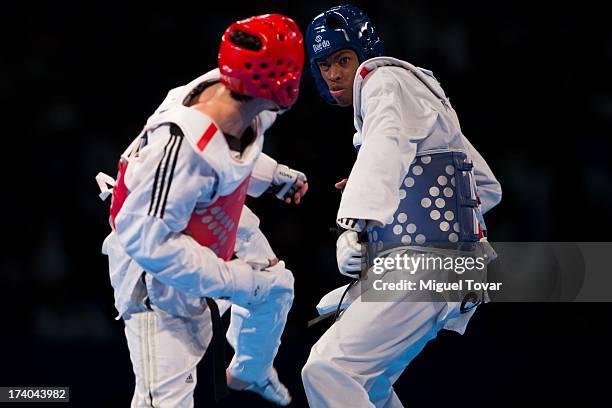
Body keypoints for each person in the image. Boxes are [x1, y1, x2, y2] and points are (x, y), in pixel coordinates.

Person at [96, 14, 307, 407]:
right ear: (283, 83)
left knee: (276, 287)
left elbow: (231, 154)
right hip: (154, 269)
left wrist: (273, 176)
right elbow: (147, 241)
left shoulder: (232, 91)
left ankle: (249, 372)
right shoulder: (181, 148)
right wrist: (233, 279)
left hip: (205, 213)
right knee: (165, 400)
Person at [301, 5, 502, 407]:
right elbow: (485, 186)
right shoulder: (421, 90)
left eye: (343, 59)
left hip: (427, 264)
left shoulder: (381, 81)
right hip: (447, 265)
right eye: (324, 65)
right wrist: (406, 187)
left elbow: (384, 148)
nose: (335, 74)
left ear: (364, 53)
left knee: (328, 369)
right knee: (369, 387)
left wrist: (354, 226)